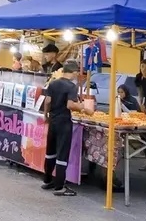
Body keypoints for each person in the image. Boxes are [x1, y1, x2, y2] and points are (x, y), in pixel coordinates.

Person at [42, 60, 87, 196]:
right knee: (62, 154)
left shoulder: (53, 83)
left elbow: (48, 101)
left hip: (53, 121)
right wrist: (83, 107)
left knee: (50, 152)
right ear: (73, 72)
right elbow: (70, 105)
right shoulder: (71, 86)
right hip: (64, 123)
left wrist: (46, 115)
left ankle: (47, 180)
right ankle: (59, 186)